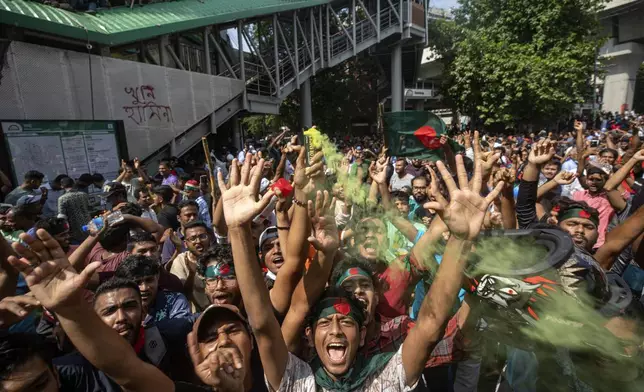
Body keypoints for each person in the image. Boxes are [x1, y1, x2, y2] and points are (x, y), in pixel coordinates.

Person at [217, 152, 502, 392]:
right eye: (326, 323)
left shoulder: (388, 375)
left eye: (347, 323)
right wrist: (237, 230)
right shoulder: (296, 379)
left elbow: (430, 323)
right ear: (309, 334)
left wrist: (461, 240)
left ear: (364, 334)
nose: (336, 330)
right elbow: (263, 324)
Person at [115, 255, 191, 327]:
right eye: (137, 283)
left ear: (157, 277)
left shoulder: (175, 301)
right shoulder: (117, 309)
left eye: (149, 280)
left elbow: (180, 330)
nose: (144, 288)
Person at [169, 221, 213, 312]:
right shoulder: (181, 261)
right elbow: (181, 295)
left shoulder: (217, 258)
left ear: (210, 238)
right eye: (193, 238)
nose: (198, 241)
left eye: (202, 236)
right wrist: (191, 274)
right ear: (185, 243)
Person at [161, 199, 199, 265]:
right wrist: (178, 249)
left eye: (194, 214)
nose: (192, 218)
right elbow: (166, 268)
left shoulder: (206, 235)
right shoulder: (171, 240)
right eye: (188, 215)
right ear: (178, 218)